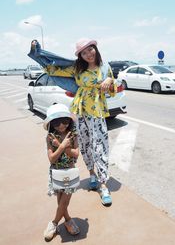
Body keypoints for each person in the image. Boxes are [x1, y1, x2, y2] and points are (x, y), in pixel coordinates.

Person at [45, 38, 117, 206]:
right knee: (84, 145)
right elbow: (55, 70)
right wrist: (41, 57)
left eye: (90, 50)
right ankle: (92, 174)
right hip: (80, 110)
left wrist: (110, 81)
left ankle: (103, 185)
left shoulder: (105, 67)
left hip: (97, 111)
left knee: (100, 147)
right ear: (80, 56)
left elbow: (112, 91)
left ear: (95, 49)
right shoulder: (77, 68)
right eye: (83, 53)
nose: (88, 54)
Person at [43, 104, 80, 241]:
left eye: (65, 121)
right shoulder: (50, 137)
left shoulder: (73, 135)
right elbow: (52, 159)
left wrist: (61, 146)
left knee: (64, 201)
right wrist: (63, 146)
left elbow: (76, 155)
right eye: (57, 122)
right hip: (57, 172)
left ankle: (53, 223)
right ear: (51, 123)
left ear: (69, 120)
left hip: (70, 172)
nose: (61, 125)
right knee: (61, 201)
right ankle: (68, 220)